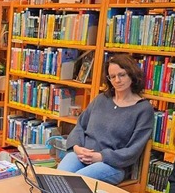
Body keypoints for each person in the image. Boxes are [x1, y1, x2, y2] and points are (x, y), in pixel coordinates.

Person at [57, 54, 154, 184]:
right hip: (82, 155)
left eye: (122, 75)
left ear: (132, 74)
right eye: (112, 77)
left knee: (76, 182)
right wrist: (76, 147)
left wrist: (101, 156)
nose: (117, 80)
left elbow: (134, 149)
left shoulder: (143, 109)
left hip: (112, 165)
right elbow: (80, 125)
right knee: (57, 176)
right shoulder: (101, 99)